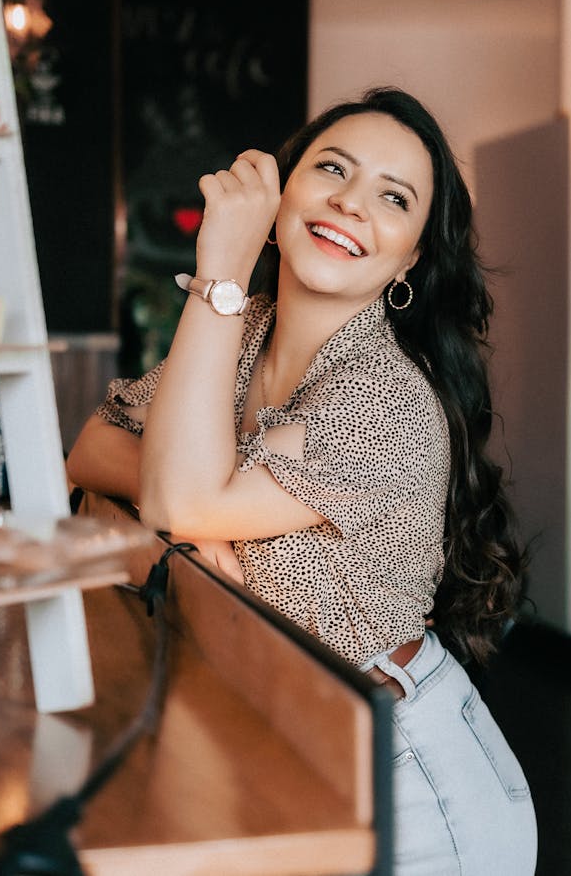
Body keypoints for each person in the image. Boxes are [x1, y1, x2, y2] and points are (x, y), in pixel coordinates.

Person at [67, 87, 537, 875]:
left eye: (393, 197)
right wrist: (207, 517)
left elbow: (171, 496)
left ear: (412, 256)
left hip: (410, 781)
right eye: (332, 169)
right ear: (284, 192)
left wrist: (220, 260)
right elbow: (90, 444)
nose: (352, 204)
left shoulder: (386, 397)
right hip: (277, 729)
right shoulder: (241, 328)